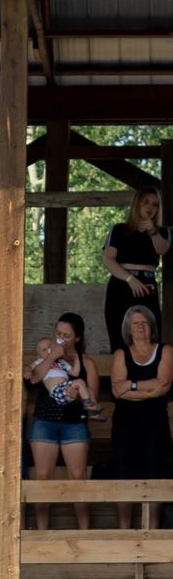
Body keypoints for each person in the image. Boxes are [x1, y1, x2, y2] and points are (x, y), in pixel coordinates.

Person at [26, 312, 102, 532]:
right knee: (43, 477)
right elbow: (33, 378)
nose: (60, 338)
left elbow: (93, 400)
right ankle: (42, 531)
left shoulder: (85, 362)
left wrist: (76, 394)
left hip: (74, 424)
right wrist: (51, 356)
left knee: (78, 477)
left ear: (76, 338)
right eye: (57, 333)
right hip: (45, 421)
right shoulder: (45, 355)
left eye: (66, 335)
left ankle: (84, 530)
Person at [108, 303, 173, 529]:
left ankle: (152, 530)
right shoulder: (121, 353)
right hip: (125, 423)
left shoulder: (165, 350)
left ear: (151, 326)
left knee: (154, 473)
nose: (140, 327)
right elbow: (117, 391)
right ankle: (124, 531)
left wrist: (132, 387)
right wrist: (148, 391)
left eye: (144, 322)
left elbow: (163, 384)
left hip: (155, 423)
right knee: (124, 473)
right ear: (128, 328)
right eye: (135, 323)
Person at [102, 187, 172, 353]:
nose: (150, 208)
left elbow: (162, 249)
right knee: (119, 336)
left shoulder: (162, 232)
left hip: (147, 284)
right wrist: (130, 280)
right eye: (146, 202)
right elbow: (108, 259)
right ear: (137, 204)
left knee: (150, 335)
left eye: (155, 205)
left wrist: (153, 231)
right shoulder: (119, 229)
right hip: (121, 284)